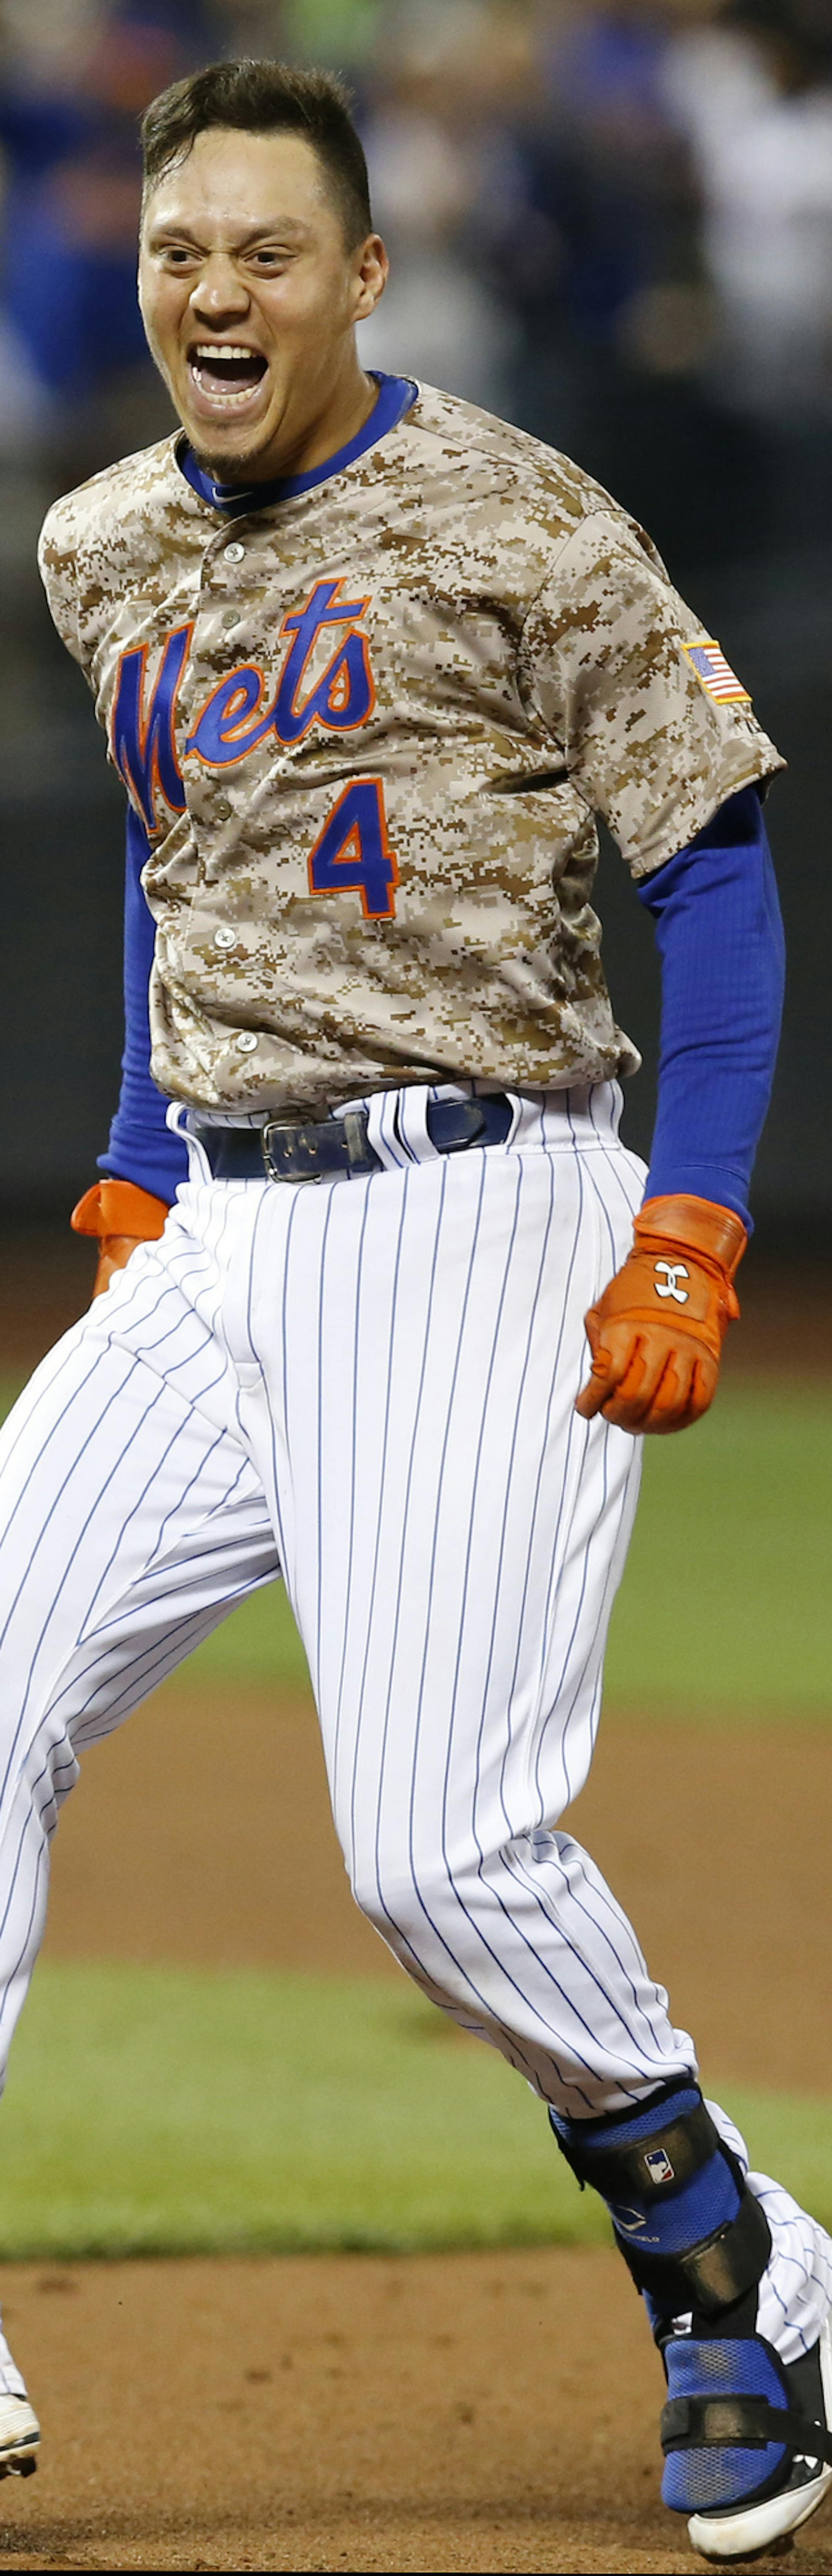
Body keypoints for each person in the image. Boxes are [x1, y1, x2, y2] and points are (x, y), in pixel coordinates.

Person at [1, 56, 829, 2559]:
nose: (215, 291)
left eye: (268, 250)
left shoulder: (518, 512)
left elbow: (711, 871)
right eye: (180, 251)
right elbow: (187, 845)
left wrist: (690, 1226)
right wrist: (147, 1159)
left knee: (443, 1853)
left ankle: (740, 2271)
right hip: (227, 1238)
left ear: (367, 276)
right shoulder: (101, 538)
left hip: (483, 1207)